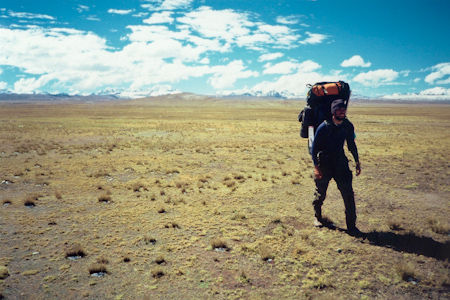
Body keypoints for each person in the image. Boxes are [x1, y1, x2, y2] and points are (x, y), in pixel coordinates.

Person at [311, 99, 361, 234]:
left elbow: (351, 144)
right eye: (339, 109)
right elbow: (314, 149)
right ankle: (317, 217)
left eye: (343, 109)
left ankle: (351, 225)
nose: (342, 111)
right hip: (325, 163)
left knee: (348, 194)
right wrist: (316, 167)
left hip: (340, 162)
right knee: (320, 192)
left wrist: (357, 161)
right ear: (333, 111)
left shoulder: (347, 126)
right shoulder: (324, 127)